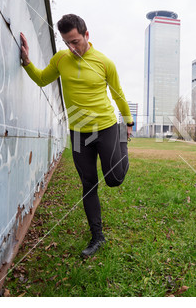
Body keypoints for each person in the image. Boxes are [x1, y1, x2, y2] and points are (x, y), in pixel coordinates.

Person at [20, 14, 134, 258]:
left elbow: (118, 94)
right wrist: (27, 61)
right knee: (88, 183)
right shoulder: (61, 60)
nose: (71, 48)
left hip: (106, 127)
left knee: (114, 179)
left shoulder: (105, 63)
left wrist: (129, 122)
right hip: (79, 131)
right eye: (66, 43)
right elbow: (42, 79)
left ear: (86, 35)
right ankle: (97, 236)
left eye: (75, 41)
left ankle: (124, 145)